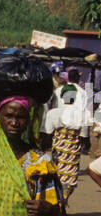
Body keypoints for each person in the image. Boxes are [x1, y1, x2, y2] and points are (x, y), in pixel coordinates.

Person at [43, 65, 91, 207]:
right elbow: (85, 116)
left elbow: (53, 113)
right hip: (72, 140)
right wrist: (85, 137)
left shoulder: (58, 91)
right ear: (77, 77)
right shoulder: (82, 93)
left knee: (58, 171)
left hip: (59, 139)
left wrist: (47, 134)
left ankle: (59, 200)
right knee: (70, 174)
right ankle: (62, 199)